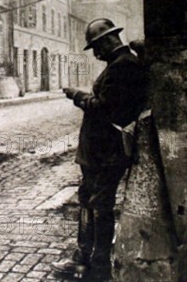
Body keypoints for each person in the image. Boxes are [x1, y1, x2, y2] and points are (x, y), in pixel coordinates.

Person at [52, 19, 146, 281]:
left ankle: (98, 265)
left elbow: (107, 108)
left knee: (99, 206)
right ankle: (85, 259)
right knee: (90, 201)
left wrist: (78, 96)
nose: (95, 53)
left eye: (96, 46)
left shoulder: (123, 66)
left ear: (107, 40)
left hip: (106, 152)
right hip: (100, 152)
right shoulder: (120, 64)